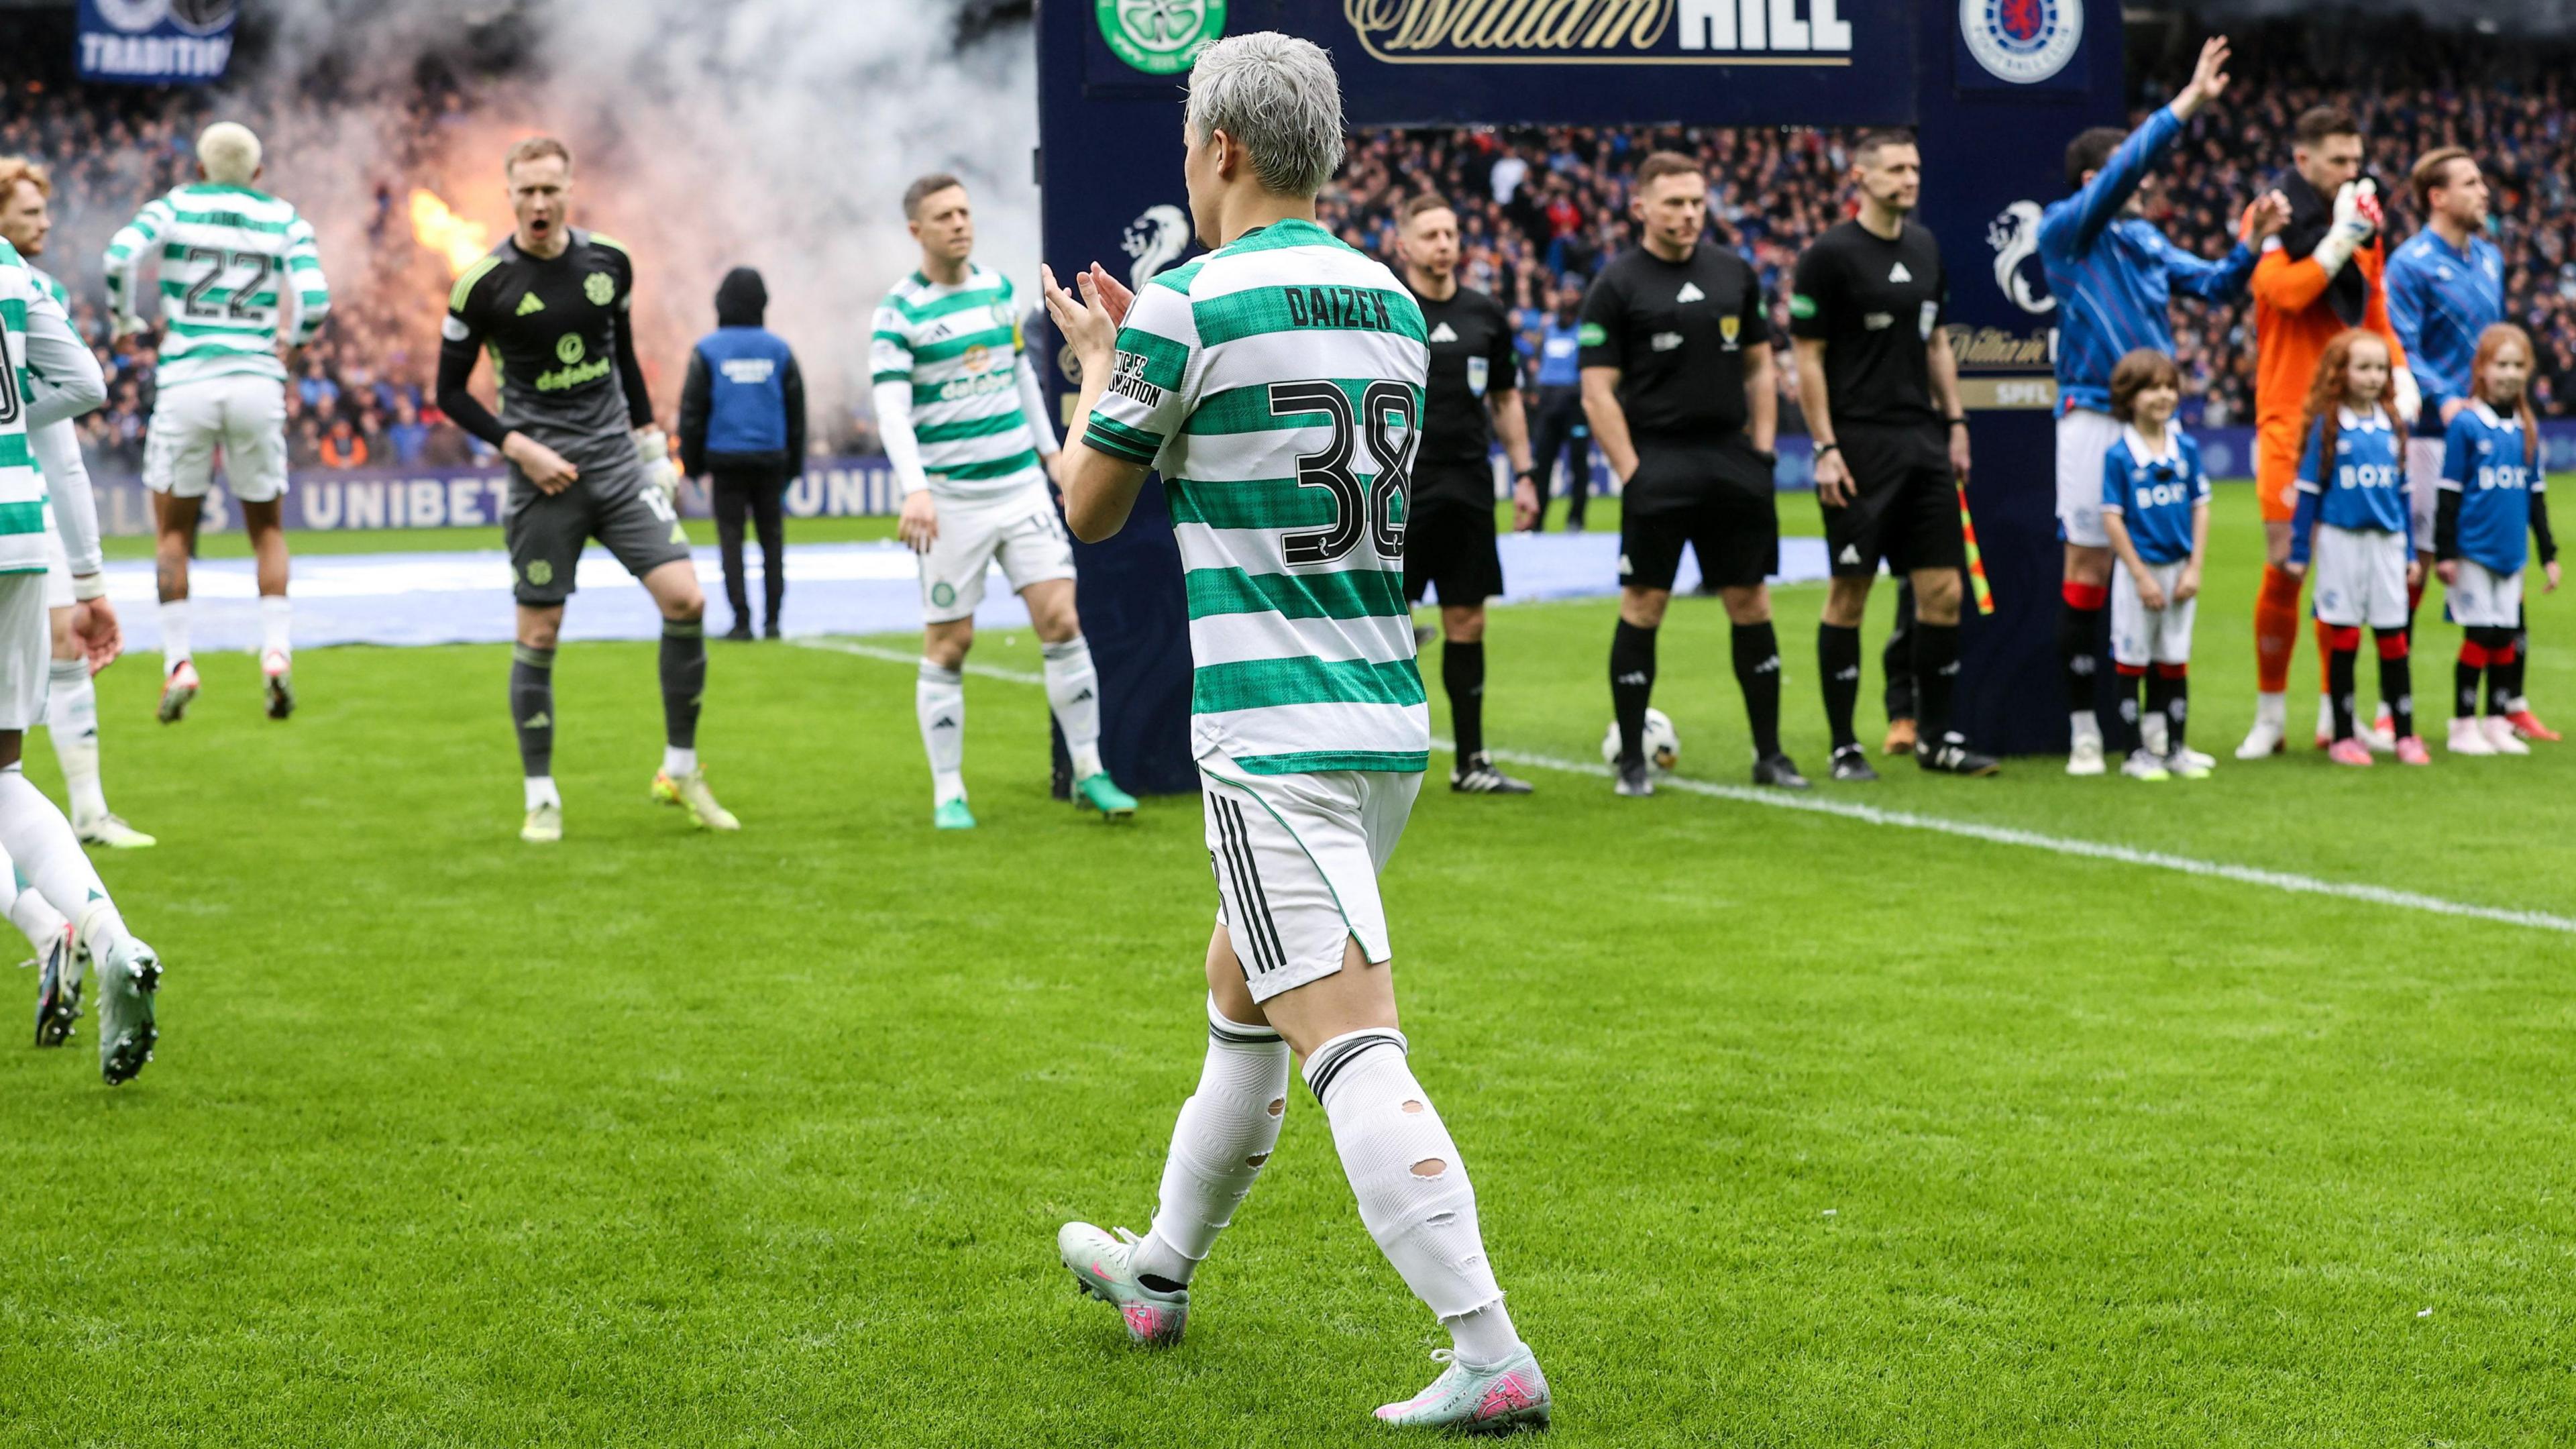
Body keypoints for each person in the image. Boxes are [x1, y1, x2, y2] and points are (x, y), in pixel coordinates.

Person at [1040, 32, 1551, 1433]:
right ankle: (1159, 1273)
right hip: (1383, 714)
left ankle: (1489, 1350)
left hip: (1271, 733)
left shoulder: (1189, 305)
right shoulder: (1391, 300)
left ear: (1223, 150)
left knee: (1349, 1043)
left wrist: (1097, 363)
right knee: (1238, 1005)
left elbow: (1090, 510)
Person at [435, 136, 737, 843]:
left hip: (618, 469)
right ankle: (541, 794)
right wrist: (520, 446)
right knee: (540, 630)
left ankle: (681, 770)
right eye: (526, 192)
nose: (539, 204)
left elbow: (622, 355)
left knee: (687, 599)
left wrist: (653, 445)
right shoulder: (482, 284)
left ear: (570, 190)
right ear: (508, 195)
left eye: (551, 190)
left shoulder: (609, 263)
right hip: (543, 481)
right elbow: (448, 391)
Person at [2040, 36, 2284, 775]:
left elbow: (2212, 285)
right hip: (2091, 416)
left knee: (2162, 565)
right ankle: (2085, 727)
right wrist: (2186, 104)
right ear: (2099, 177)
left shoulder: (2143, 240)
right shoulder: (2066, 231)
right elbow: (2126, 172)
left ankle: (2155, 737)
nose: (2147, 190)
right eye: (2133, 179)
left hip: (2157, 422)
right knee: (2087, 565)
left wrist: (2251, 244)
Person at [872, 173, 1136, 830]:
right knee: (951, 643)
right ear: (917, 232)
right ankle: (948, 791)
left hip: (1019, 484)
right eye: (944, 215)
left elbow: (1021, 375)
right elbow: (891, 410)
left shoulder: (996, 291)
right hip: (952, 499)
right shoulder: (898, 313)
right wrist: (917, 489)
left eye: (964, 211)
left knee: (1062, 621)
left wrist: (1051, 454)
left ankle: (1090, 772)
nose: (960, 223)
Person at [1582, 152, 1803, 795]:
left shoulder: (1735, 273)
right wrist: (1631, 472)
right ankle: (1631, 763)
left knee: (1751, 601)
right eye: (1674, 202)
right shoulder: (1617, 284)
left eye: (1697, 202)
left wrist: (1761, 452)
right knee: (1645, 605)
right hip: (1659, 462)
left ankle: (1771, 755)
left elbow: (1761, 368)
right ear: (1641, 208)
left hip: (1732, 460)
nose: (1687, 214)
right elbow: (1599, 390)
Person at [103, 121, 329, 724]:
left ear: (199, 169)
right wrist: (296, 344)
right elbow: (316, 298)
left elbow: (119, 255)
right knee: (268, 529)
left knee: (174, 533)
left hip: (187, 381)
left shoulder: (175, 205)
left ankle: (179, 661)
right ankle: (276, 655)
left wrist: (124, 319)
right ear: (257, 173)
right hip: (256, 379)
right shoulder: (283, 218)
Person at [5, 237, 164, 1085]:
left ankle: (42, 926)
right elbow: (87, 386)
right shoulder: (11, 266)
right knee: (1, 778)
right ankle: (107, 938)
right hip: (19, 534)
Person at [1791, 130, 1996, 781]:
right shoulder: (1828, 256)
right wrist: (1825, 447)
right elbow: (1808, 359)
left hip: (1923, 440)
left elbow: (1936, 342)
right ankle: (1844, 745)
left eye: (1916, 167)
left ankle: (1937, 739)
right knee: (1849, 593)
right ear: (1861, 176)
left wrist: (1956, 421)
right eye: (1897, 168)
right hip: (1858, 443)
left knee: (1942, 592)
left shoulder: (1926, 247)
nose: (1910, 178)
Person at [2239, 107, 2414, 759]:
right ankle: (2267, 715)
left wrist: (2400, 369)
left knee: (2345, 569)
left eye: (2356, 160)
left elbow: (2374, 309)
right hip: (2289, 414)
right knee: (2288, 565)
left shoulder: (2364, 219)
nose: (2351, 171)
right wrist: (2338, 239)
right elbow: (2284, 293)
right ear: (2303, 157)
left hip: (2355, 420)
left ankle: (2332, 714)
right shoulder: (2270, 215)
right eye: (2338, 160)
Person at [0, 156, 153, 848]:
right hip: (19, 497)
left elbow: (61, 445)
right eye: (29, 212)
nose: (45, 221)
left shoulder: (37, 286)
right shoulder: (23, 285)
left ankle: (87, 812)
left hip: (22, 493)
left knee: (62, 646)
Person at [2387, 149, 2549, 742]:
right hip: (2434, 433)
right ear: (2437, 196)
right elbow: (2403, 345)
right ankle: (2390, 702)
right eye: (2472, 182)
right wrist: (2444, 396)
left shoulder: (2489, 258)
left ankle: (2512, 703)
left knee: (2505, 545)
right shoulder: (2409, 264)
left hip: (2493, 426)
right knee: (2424, 562)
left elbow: (2496, 342)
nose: (2485, 192)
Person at [1392, 193, 1538, 794]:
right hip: (1398, 491)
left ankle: (1471, 761)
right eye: (1430, 235)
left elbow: (1505, 399)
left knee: (1467, 619)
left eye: (1451, 233)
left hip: (1470, 485)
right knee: (1384, 627)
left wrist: (1526, 475)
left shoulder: (1486, 314)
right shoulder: (1387, 307)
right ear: (1404, 245)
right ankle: (1381, 760)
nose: (1444, 244)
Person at [2284, 330, 2424, 767]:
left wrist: (2410, 553)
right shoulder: (2328, 425)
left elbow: (2402, 496)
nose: (2372, 376)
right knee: (2343, 635)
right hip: (2341, 543)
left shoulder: (2391, 424)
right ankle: (2343, 734)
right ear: (2339, 372)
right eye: (2362, 367)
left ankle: (2404, 732)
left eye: (2380, 368)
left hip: (2386, 544)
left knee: (2393, 638)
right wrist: (2299, 552)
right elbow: (2309, 492)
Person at [2435, 324, 2559, 755]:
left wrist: (2549, 554)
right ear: (2482, 370)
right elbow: (2448, 494)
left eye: (2518, 365)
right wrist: (2446, 552)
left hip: (2511, 553)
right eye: (2501, 364)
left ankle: (2496, 720)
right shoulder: (2466, 425)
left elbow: (2536, 498)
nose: (2509, 373)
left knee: (2506, 636)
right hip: (2473, 551)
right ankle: (2463, 724)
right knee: (2480, 634)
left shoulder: (2527, 427)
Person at [2096, 350, 2212, 782]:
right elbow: (2112, 517)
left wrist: (2195, 567)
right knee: (2132, 660)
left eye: (2169, 387)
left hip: (2179, 570)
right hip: (2138, 574)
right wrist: (2140, 575)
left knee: (2174, 658)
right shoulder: (2119, 456)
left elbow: (2201, 507)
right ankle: (2134, 752)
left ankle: (2175, 747)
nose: (2162, 396)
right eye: (2151, 388)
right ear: (2129, 397)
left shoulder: (2187, 448)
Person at [679, 266, 804, 641]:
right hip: (771, 457)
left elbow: (692, 413)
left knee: (731, 540)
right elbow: (797, 414)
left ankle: (742, 621)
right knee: (772, 540)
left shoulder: (708, 350)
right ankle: (773, 622)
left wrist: (693, 464)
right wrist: (793, 467)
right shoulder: (779, 351)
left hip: (725, 457)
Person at [1525, 278, 1593, 530]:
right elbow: (1535, 363)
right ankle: (1538, 521)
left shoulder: (1585, 329)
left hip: (1575, 407)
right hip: (1548, 406)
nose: (1568, 296)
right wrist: (1534, 391)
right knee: (1542, 466)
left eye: (1574, 292)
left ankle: (1576, 519)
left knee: (1579, 465)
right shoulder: (1548, 328)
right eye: (1565, 291)